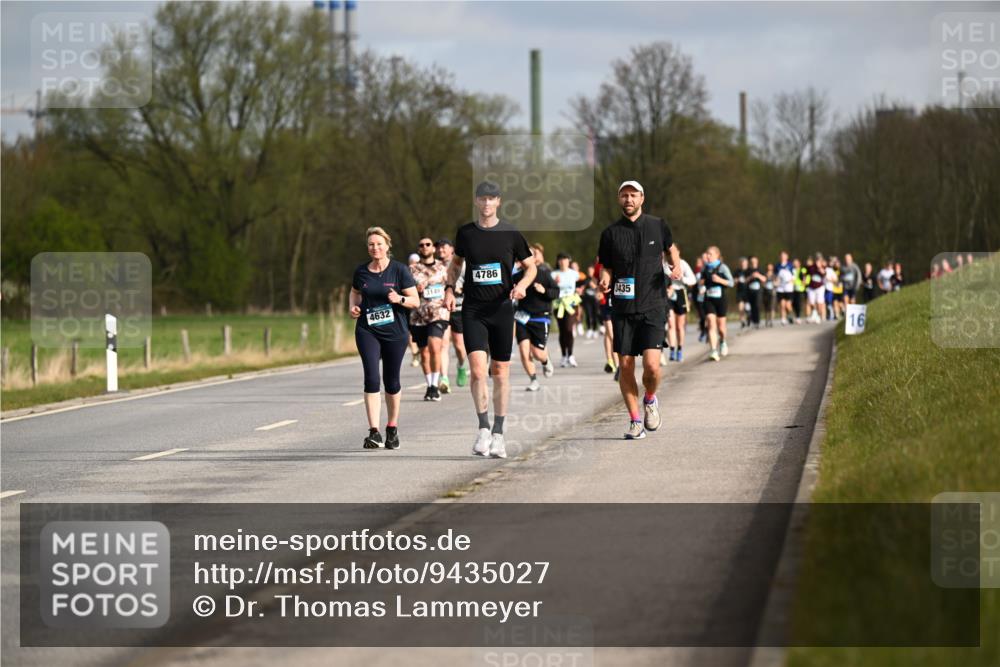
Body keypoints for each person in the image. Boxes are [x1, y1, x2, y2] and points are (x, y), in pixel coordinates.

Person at [444, 181, 535, 459]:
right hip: (473, 309)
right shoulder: (466, 233)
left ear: (498, 202)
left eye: (491, 199)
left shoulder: (510, 233)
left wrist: (522, 286)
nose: (486, 204)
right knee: (477, 370)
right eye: (481, 199)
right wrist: (449, 287)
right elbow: (457, 263)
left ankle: (499, 433)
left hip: (501, 309)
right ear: (476, 202)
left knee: (501, 371)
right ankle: (483, 428)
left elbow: (531, 267)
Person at [597, 180, 680, 440]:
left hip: (653, 304)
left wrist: (674, 266)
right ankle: (635, 421)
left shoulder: (657, 225)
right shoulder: (610, 233)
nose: (628, 199)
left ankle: (651, 399)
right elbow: (606, 266)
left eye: (633, 195)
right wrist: (606, 278)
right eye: (624, 195)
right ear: (619, 199)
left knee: (653, 367)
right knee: (625, 364)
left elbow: (671, 250)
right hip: (622, 307)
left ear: (642, 198)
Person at [349, 227, 420, 450]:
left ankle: (391, 428)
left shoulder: (399, 271)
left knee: (392, 381)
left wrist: (399, 298)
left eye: (379, 243)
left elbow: (415, 301)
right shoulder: (361, 272)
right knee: (371, 378)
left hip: (395, 332)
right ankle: (374, 432)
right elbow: (354, 292)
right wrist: (353, 307)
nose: (375, 248)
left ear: (387, 245)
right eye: (371, 244)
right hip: (367, 329)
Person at [409, 237, 450, 401]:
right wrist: (415, 289)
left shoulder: (443, 268)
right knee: (424, 353)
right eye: (421, 245)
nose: (425, 247)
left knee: (435, 346)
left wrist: (451, 295)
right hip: (418, 315)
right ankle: (430, 386)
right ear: (419, 249)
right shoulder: (412, 269)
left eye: (428, 244)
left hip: (438, 313)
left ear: (433, 248)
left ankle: (435, 384)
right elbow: (405, 289)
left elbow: (450, 287)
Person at [515, 244, 559, 391]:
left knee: (537, 353)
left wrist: (544, 290)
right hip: (522, 317)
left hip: (540, 317)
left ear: (533, 258)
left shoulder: (544, 274)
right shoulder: (516, 276)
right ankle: (533, 380)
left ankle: (546, 362)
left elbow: (556, 292)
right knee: (523, 350)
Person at [435, 238, 467, 392]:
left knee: (460, 347)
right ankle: (444, 378)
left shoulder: (463, 264)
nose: (440, 251)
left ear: (452, 249)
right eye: (438, 248)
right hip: (442, 309)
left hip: (459, 308)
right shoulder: (435, 266)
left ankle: (461, 365)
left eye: (443, 248)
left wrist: (460, 290)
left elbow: (473, 284)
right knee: (443, 344)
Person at [700, 245, 734, 361]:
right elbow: (701, 281)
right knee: (710, 322)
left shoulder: (722, 267)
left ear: (717, 256)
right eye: (707, 254)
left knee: (721, 327)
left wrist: (719, 280)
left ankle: (723, 341)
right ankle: (713, 350)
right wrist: (701, 286)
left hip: (721, 300)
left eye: (710, 254)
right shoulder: (705, 268)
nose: (708, 256)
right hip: (709, 299)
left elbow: (731, 283)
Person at [664, 246, 696, 362]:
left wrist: (682, 278)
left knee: (679, 326)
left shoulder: (683, 264)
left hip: (681, 293)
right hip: (668, 294)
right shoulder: (664, 264)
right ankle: (672, 349)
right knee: (671, 324)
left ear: (678, 253)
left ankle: (680, 349)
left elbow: (693, 280)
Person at [552, 253, 581, 367]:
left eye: (565, 259)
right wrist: (555, 283)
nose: (563, 262)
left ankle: (571, 355)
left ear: (569, 261)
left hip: (571, 304)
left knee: (569, 329)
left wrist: (580, 289)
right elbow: (550, 288)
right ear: (558, 261)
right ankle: (564, 356)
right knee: (562, 330)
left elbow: (581, 284)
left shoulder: (574, 274)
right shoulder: (554, 274)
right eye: (561, 260)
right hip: (559, 304)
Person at [593, 258, 619, 378]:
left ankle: (610, 360)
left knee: (609, 334)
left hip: (618, 300)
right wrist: (597, 291)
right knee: (611, 333)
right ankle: (616, 364)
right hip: (605, 301)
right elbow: (595, 282)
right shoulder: (599, 266)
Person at [806, 254, 827, 323]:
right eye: (817, 260)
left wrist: (821, 269)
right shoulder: (812, 267)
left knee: (819, 303)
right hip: (811, 287)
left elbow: (824, 274)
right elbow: (806, 272)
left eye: (820, 261)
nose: (818, 262)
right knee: (811, 303)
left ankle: (818, 315)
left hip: (820, 287)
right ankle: (814, 313)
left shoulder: (823, 267)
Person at [746, 256, 765, 329]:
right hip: (750, 291)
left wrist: (758, 276)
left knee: (757, 305)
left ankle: (757, 321)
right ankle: (752, 321)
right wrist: (751, 276)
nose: (753, 262)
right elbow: (745, 281)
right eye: (752, 261)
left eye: (754, 261)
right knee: (751, 306)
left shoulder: (760, 269)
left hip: (758, 291)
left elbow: (764, 279)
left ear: (757, 261)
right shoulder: (748, 270)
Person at [776, 252, 795, 325]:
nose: (782, 257)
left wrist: (790, 281)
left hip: (788, 288)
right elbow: (776, 276)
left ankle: (790, 315)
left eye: (784, 256)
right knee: (782, 304)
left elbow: (794, 276)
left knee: (788, 305)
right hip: (780, 288)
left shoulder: (790, 265)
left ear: (787, 257)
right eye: (781, 256)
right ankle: (783, 319)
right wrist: (776, 282)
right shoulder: (777, 266)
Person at [735, 257, 749, 329]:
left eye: (744, 263)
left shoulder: (749, 271)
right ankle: (742, 321)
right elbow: (733, 282)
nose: (743, 264)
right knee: (740, 308)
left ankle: (748, 318)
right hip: (740, 292)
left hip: (748, 292)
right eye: (742, 263)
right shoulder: (737, 271)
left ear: (747, 263)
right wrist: (737, 280)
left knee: (747, 308)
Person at [763, 262, 776, 327]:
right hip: (765, 292)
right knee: (766, 307)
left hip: (772, 293)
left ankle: (771, 320)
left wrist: (774, 283)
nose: (769, 268)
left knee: (772, 307)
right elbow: (762, 283)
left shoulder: (774, 275)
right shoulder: (764, 275)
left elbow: (777, 283)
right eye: (768, 267)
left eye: (770, 267)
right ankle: (767, 320)